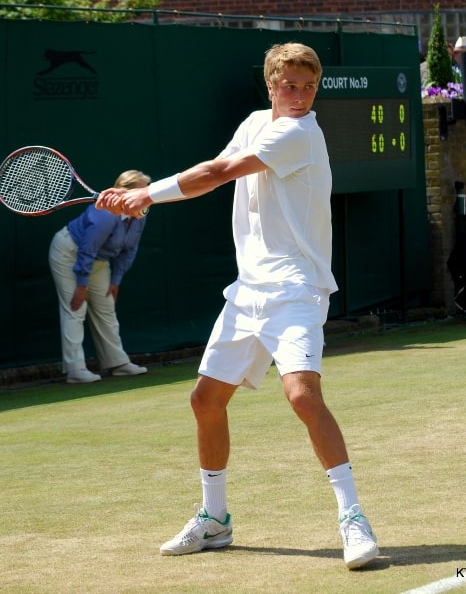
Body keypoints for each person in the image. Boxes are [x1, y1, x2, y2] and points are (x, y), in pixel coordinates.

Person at [96, 42, 379, 569]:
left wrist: (145, 195)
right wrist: (142, 196)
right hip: (248, 290)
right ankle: (215, 518)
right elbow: (220, 165)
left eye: (308, 87)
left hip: (296, 287)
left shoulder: (300, 133)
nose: (299, 96)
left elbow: (218, 174)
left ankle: (353, 517)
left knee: (302, 395)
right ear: (270, 85)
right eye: (289, 86)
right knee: (205, 401)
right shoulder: (255, 122)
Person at [49, 169, 151, 384]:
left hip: (98, 260)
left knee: (106, 308)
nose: (147, 196)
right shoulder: (105, 215)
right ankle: (75, 369)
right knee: (76, 308)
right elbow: (87, 248)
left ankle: (117, 363)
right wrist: (82, 285)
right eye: (143, 191)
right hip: (69, 253)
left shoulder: (140, 214)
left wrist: (116, 281)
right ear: (125, 193)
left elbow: (129, 250)